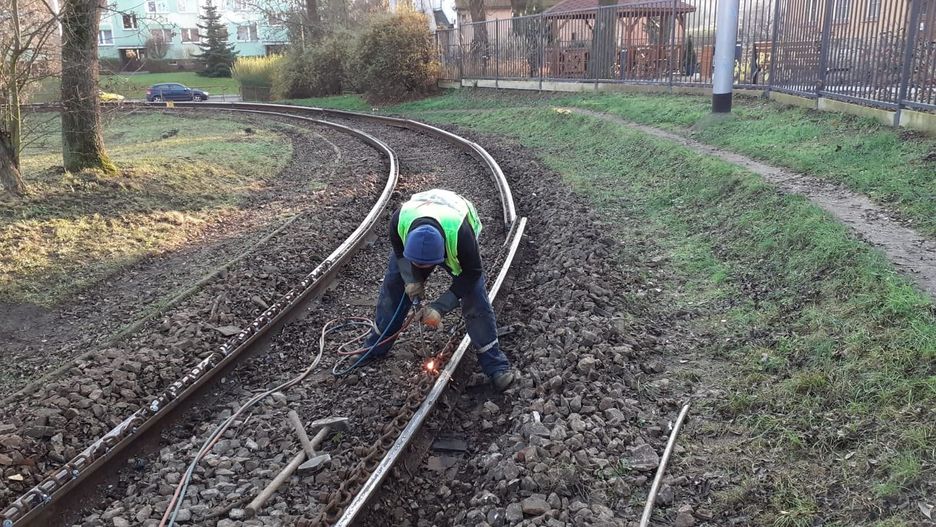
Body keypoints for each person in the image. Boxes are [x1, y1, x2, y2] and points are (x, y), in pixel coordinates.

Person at [360, 188, 516, 391]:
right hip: (421, 222)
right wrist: (411, 280)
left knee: (475, 301)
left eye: (428, 266)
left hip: (455, 228)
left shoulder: (461, 236)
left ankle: (496, 366)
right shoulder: (399, 220)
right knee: (393, 289)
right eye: (418, 264)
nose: (424, 270)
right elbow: (399, 254)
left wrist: (440, 307)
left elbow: (472, 274)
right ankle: (375, 347)